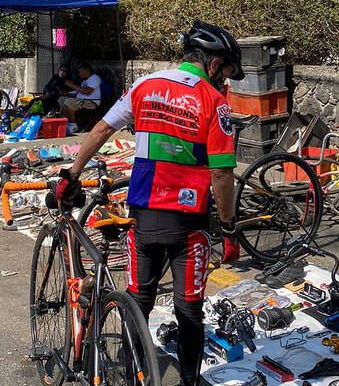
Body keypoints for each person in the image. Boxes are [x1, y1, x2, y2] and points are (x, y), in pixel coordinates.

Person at [56, 21, 244, 386]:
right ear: (215, 63)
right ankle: (189, 382)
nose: (227, 81)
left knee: (139, 302)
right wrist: (230, 228)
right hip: (188, 226)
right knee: (189, 312)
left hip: (143, 217)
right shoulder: (214, 102)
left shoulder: (146, 85)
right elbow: (221, 175)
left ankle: (133, 373)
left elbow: (101, 130)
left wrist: (72, 174)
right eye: (228, 72)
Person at [60, 62, 102, 127]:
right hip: (83, 100)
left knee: (69, 102)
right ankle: (66, 123)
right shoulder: (84, 81)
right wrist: (67, 94)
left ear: (87, 70)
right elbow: (79, 93)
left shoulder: (95, 78)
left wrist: (72, 85)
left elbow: (87, 91)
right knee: (62, 99)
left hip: (91, 102)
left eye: (80, 72)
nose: (79, 74)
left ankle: (73, 125)